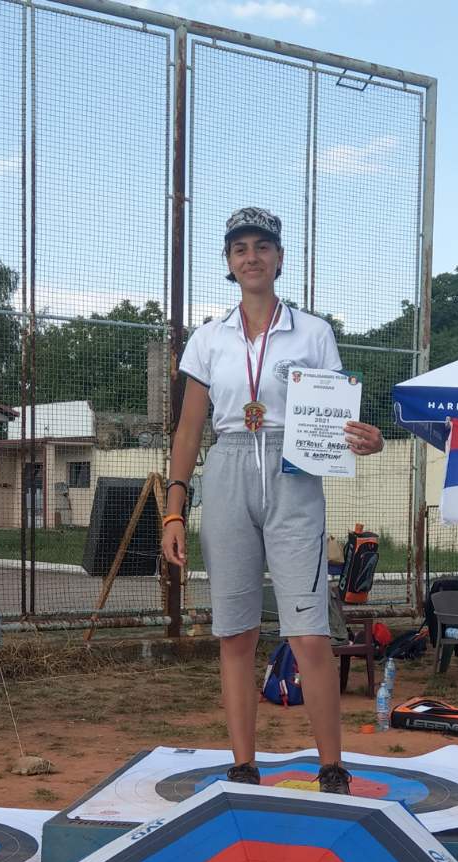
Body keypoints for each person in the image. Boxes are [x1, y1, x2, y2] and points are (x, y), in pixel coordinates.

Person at [161, 207, 385, 793]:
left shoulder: (312, 332)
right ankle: (243, 763)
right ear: (229, 263)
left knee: (308, 632)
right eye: (240, 249)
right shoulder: (208, 338)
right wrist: (174, 508)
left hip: (294, 471)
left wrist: (366, 439)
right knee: (235, 632)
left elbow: (336, 417)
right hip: (229, 465)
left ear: (280, 258)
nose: (252, 257)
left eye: (262, 247)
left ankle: (331, 765)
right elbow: (189, 429)